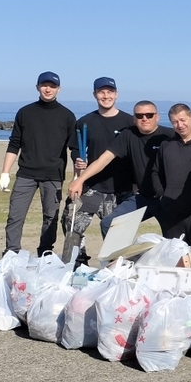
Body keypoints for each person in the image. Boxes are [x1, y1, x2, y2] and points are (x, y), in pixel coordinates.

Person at [69, 100, 175, 238]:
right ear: (134, 119)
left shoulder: (169, 135)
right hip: (143, 198)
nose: (144, 119)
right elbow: (103, 160)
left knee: (174, 239)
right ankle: (120, 259)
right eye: (139, 115)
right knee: (109, 223)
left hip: (166, 197)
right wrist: (80, 180)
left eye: (149, 115)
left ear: (157, 116)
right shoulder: (128, 135)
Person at [59, 77, 134, 264]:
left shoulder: (130, 122)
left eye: (110, 92)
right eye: (101, 92)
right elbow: (75, 148)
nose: (106, 96)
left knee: (117, 235)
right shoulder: (85, 122)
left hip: (119, 188)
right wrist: (77, 160)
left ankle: (115, 267)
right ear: (95, 95)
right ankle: (78, 261)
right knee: (71, 223)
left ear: (116, 94)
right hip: (91, 186)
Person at [1, 71, 77, 256]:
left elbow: (74, 150)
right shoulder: (25, 112)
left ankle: (45, 253)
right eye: (44, 85)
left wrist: (77, 178)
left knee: (50, 218)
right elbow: (14, 144)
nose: (48, 89)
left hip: (53, 176)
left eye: (52, 86)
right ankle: (11, 254)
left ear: (58, 89)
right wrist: (5, 173)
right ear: (38, 87)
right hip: (25, 174)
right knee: (15, 217)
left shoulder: (67, 116)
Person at [151, 104, 191, 248]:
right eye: (175, 122)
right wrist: (162, 196)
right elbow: (156, 172)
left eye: (182, 120)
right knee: (175, 259)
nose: (179, 125)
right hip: (172, 212)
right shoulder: (166, 145)